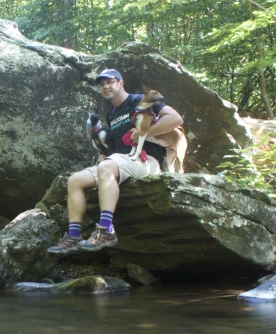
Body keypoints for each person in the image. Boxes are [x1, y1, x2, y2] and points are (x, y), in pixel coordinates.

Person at [47, 69, 184, 255]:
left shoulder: (139, 100)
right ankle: (73, 237)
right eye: (102, 84)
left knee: (106, 167)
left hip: (146, 160)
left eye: (110, 82)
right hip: (120, 161)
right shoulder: (112, 114)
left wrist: (146, 132)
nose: (105, 87)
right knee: (75, 180)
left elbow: (175, 118)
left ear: (121, 83)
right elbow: (115, 150)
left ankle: (106, 230)